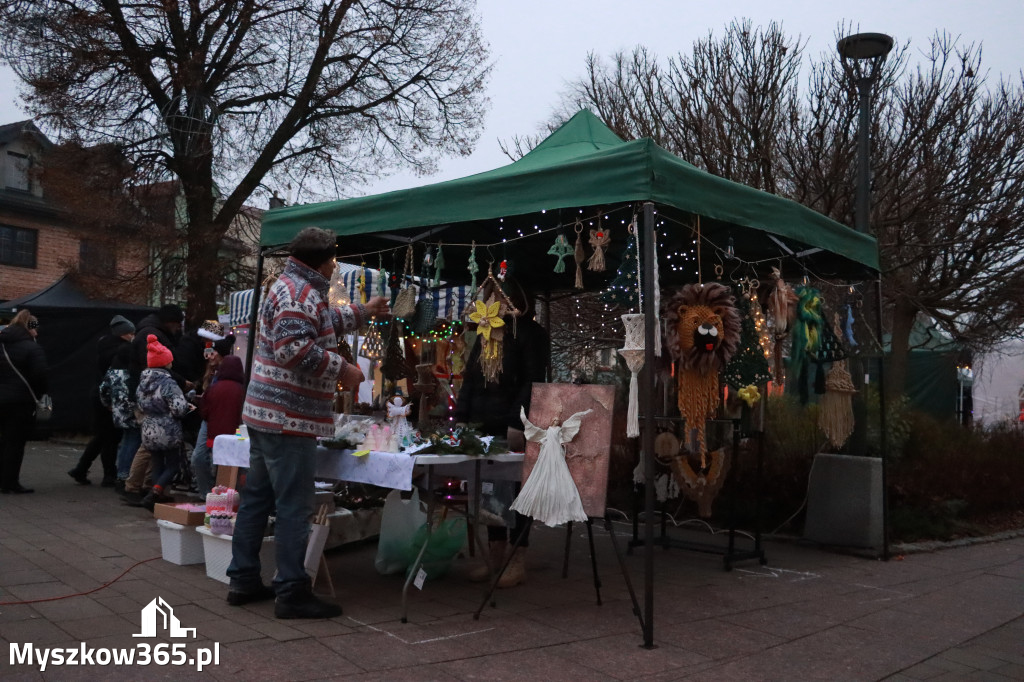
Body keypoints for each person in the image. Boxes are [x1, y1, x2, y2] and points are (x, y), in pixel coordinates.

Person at [228, 226, 389, 619]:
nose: (336, 265)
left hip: (268, 414)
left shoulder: (292, 286)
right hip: (288, 418)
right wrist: (344, 370)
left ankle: (244, 579)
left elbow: (319, 321)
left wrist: (363, 312)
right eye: (335, 258)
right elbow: (292, 349)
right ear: (325, 259)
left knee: (257, 500)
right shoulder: (300, 292)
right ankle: (292, 591)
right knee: (293, 506)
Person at [454, 278, 549, 588]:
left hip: (514, 423)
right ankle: (495, 554)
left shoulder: (531, 334)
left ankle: (518, 555)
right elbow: (470, 377)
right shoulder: (485, 330)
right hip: (483, 424)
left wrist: (517, 422)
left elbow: (533, 381)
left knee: (518, 489)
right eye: (490, 294)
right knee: (490, 490)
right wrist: (462, 417)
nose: (492, 298)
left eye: (497, 294)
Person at [119, 304, 185, 499]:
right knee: (151, 453)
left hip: (150, 421)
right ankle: (145, 489)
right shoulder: (165, 381)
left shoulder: (144, 380)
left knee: (152, 455)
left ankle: (149, 488)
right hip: (165, 425)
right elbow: (177, 407)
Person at [68, 315, 135, 486]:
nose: (132, 335)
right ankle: (109, 475)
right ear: (123, 333)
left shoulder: (104, 345)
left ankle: (81, 469)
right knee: (110, 439)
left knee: (102, 437)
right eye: (130, 332)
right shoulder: (121, 351)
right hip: (109, 399)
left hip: (100, 396)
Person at [136, 334, 192, 511]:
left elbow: (139, 403)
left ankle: (157, 498)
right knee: (173, 465)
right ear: (165, 362)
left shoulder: (142, 382)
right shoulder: (168, 383)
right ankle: (154, 493)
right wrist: (188, 402)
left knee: (157, 463)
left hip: (148, 427)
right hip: (167, 428)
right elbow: (178, 408)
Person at [0, 309, 48, 493]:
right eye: (35, 329)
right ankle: (10, 482)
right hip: (20, 401)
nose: (36, 332)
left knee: (3, 440)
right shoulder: (32, 348)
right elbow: (40, 375)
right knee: (15, 442)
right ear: (30, 328)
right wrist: (39, 394)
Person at [191, 328, 237, 497]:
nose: (209, 356)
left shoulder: (225, 375)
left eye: (213, 353)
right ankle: (208, 493)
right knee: (201, 457)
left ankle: (211, 494)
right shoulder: (212, 374)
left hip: (217, 419)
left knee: (208, 457)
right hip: (209, 418)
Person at [197, 354, 245, 492]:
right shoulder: (243, 390)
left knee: (203, 459)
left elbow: (204, 411)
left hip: (213, 434)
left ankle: (206, 492)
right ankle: (233, 495)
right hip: (236, 435)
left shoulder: (214, 388)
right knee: (233, 469)